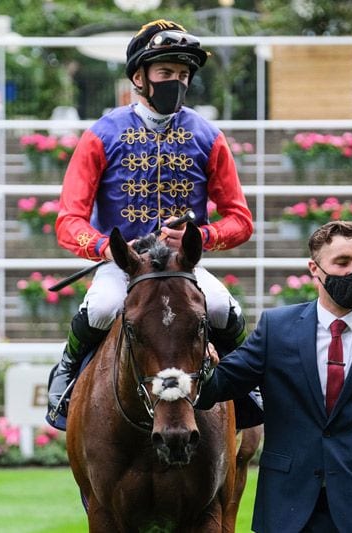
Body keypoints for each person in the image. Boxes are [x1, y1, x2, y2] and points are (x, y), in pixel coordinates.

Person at [47, 19, 261, 430]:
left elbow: (240, 219)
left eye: (183, 75)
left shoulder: (209, 136)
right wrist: (103, 247)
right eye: (166, 73)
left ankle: (249, 387)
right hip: (123, 265)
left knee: (220, 306)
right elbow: (68, 219)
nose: (176, 83)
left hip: (182, 265)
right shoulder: (99, 135)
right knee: (103, 306)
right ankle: (67, 373)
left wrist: (203, 236)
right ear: (139, 78)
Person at [197, 220, 352, 533]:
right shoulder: (276, 328)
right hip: (285, 513)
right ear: (314, 269)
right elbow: (217, 387)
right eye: (342, 262)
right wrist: (198, 360)